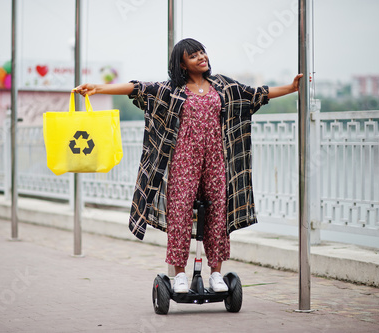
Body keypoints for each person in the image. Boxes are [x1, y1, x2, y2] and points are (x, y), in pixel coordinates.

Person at [74, 38, 303, 293]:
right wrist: (97, 87)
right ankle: (180, 274)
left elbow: (255, 94)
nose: (201, 57)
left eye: (202, 52)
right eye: (194, 56)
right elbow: (137, 88)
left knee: (217, 214)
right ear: (182, 64)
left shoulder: (222, 86)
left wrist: (292, 88)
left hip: (217, 160)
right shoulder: (172, 90)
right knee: (179, 214)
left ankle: (216, 272)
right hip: (184, 161)